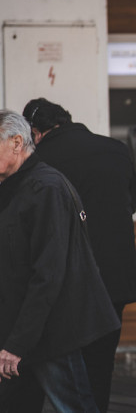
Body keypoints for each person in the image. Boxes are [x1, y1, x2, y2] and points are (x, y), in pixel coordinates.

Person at [20, 98, 136, 413]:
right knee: (101, 363)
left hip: (69, 276)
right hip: (116, 276)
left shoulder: (40, 159)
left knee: (58, 362)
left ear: (35, 132)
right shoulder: (117, 149)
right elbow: (132, 203)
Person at [0, 110, 121, 412]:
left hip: (51, 330)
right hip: (21, 328)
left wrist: (17, 345)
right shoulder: (14, 185)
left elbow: (49, 273)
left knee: (73, 406)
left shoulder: (46, 187)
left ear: (17, 142)